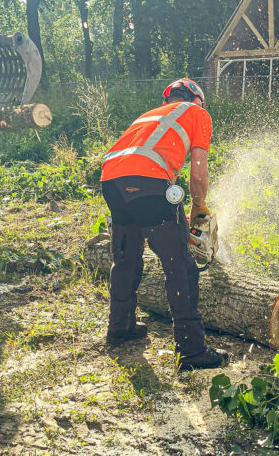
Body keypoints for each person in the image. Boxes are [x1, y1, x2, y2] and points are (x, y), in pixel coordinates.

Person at [100, 78, 228, 371]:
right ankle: (192, 350)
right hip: (147, 181)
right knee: (180, 264)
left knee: (126, 257)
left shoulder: (149, 116)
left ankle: (120, 327)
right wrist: (198, 205)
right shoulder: (198, 114)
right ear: (197, 99)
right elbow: (198, 172)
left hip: (111, 181)